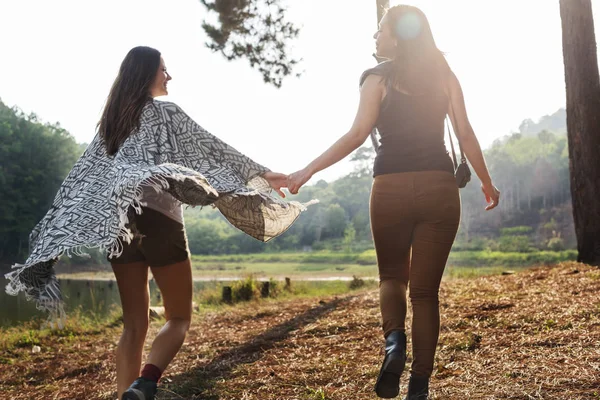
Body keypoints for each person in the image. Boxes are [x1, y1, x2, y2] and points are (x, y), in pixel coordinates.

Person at [5, 46, 313, 400]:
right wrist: (260, 173)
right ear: (147, 72)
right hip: (159, 219)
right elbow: (212, 148)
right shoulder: (166, 113)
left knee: (134, 324)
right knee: (179, 316)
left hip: (119, 225)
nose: (169, 76)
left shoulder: (112, 124)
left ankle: (127, 394)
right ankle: (146, 383)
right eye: (164, 69)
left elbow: (83, 177)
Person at [288, 5, 500, 399]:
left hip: (390, 189)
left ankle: (394, 343)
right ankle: (419, 386)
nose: (375, 37)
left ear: (399, 36)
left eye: (380, 30)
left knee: (391, 277)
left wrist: (306, 171)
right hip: (439, 190)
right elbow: (466, 133)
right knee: (425, 294)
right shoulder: (444, 77)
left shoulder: (376, 79)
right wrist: (487, 182)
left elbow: (355, 136)